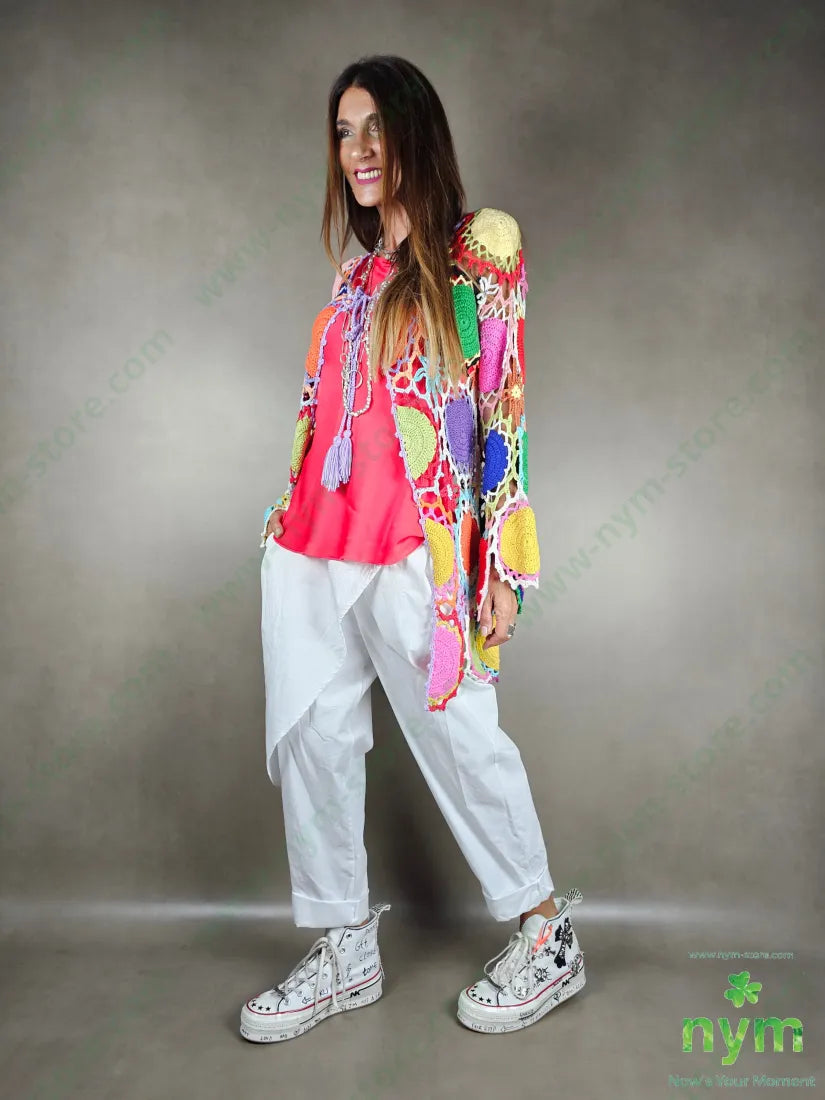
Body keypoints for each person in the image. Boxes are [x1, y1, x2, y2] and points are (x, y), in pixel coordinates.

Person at [240, 54, 585, 1043]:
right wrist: (284, 515)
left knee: (462, 738)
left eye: (375, 128)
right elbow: (324, 412)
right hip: (313, 543)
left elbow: (503, 409)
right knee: (314, 740)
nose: (357, 150)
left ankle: (547, 934)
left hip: (414, 549)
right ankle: (344, 942)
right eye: (343, 132)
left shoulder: (477, 252)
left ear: (414, 134)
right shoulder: (353, 277)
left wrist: (502, 567)